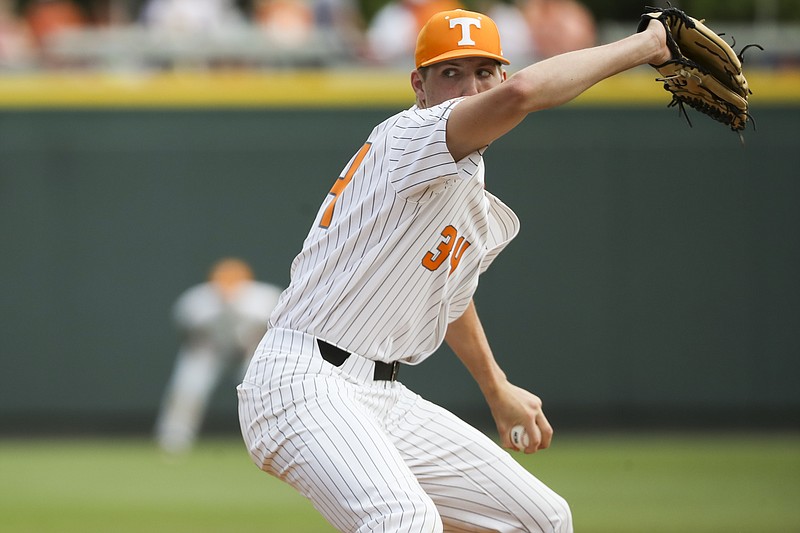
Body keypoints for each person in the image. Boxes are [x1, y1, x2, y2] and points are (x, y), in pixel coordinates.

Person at [238, 8, 670, 531]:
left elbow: (450, 297)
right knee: (404, 521)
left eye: (483, 72)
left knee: (543, 519)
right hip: (302, 381)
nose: (470, 88)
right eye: (451, 74)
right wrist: (650, 45)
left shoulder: (465, 193)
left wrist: (496, 388)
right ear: (419, 86)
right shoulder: (413, 135)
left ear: (499, 75)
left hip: (379, 394)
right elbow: (522, 96)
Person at [155, 258, 282, 454]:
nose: (228, 290)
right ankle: (174, 438)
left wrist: (254, 347)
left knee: (262, 391)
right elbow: (188, 333)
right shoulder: (197, 300)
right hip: (210, 350)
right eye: (223, 283)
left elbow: (274, 331)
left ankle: (274, 438)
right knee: (189, 386)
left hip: (250, 349)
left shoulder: (264, 298)